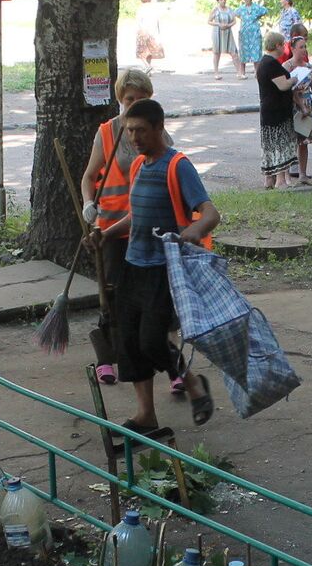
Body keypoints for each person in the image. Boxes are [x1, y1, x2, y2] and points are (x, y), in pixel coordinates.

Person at [95, 99, 221, 435]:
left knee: (151, 341)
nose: (134, 137)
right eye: (130, 130)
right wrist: (105, 235)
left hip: (163, 270)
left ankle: (193, 384)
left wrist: (192, 232)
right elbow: (136, 215)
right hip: (132, 265)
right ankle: (146, 415)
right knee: (129, 345)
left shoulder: (178, 165)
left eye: (140, 131)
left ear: (159, 128)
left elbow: (210, 213)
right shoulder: (137, 165)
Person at [80, 68, 183, 396]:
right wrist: (88, 205)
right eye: (128, 100)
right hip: (112, 226)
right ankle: (108, 355)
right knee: (112, 293)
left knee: (153, 303)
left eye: (141, 99)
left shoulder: (158, 138)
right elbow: (88, 177)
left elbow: (171, 182)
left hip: (148, 230)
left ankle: (171, 364)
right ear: (119, 100)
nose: (134, 104)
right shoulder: (108, 133)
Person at [256, 32, 297, 189]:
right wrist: (293, 79)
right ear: (277, 45)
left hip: (268, 109)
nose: (284, 47)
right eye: (283, 44)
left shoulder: (263, 62)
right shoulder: (271, 64)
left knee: (269, 145)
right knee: (280, 144)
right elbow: (283, 85)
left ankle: (269, 179)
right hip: (276, 110)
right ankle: (280, 180)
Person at [287, 39, 312, 186]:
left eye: (305, 47)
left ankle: (303, 174)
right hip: (293, 105)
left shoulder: (308, 67)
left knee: (304, 142)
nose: (304, 50)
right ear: (293, 49)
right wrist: (301, 105)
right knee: (290, 141)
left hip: (307, 103)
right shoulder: (287, 66)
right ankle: (285, 175)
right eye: (301, 47)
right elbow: (287, 89)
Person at [235, 0, 268, 79]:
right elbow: (235, 14)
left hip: (255, 33)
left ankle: (257, 72)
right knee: (243, 52)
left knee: (256, 52)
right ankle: (242, 72)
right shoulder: (241, 9)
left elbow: (265, 11)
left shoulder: (256, 7)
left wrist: (258, 17)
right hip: (244, 33)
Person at [208, 0, 236, 79]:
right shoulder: (215, 10)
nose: (223, 1)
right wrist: (218, 24)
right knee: (217, 52)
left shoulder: (229, 9)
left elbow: (234, 21)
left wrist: (228, 25)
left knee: (233, 52)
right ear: (218, 0)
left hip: (227, 32)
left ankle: (239, 73)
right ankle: (216, 73)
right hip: (217, 32)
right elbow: (209, 21)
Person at [135, 0, 165, 73]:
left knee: (141, 52)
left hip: (144, 31)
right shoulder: (154, 8)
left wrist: (139, 31)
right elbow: (157, 21)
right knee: (150, 51)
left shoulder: (141, 8)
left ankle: (148, 66)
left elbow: (139, 21)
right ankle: (149, 68)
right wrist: (158, 32)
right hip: (153, 32)